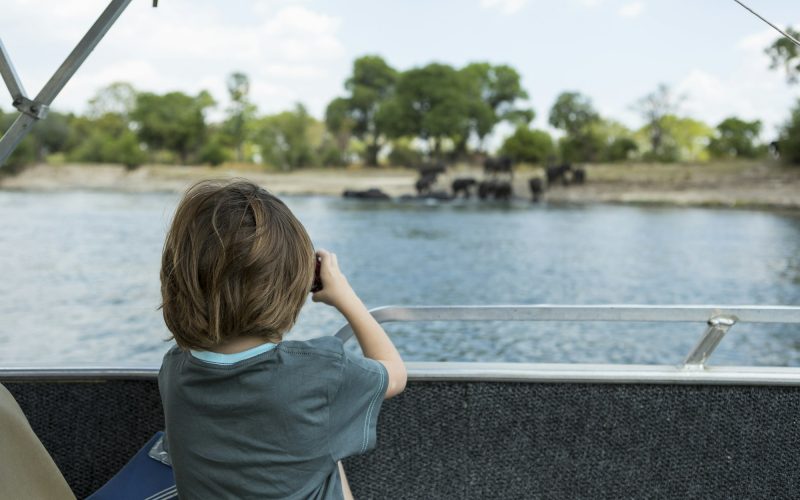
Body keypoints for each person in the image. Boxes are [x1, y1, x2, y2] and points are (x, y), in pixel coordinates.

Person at [158, 179, 407, 499]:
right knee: (329, 442)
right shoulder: (323, 372)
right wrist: (346, 296)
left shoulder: (175, 370)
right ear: (294, 286)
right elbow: (395, 373)